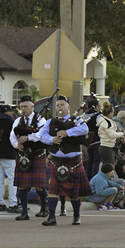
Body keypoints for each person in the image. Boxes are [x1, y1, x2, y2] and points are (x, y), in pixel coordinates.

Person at [40, 95, 92, 226]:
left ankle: (76, 216)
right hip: (55, 160)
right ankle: (52, 217)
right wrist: (52, 140)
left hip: (73, 161)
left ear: (68, 107)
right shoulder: (50, 122)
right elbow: (42, 135)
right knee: (52, 190)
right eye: (57, 105)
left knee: (74, 192)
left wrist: (66, 133)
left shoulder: (76, 120)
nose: (59, 107)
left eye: (62, 105)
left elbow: (84, 129)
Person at [10, 95, 49, 221]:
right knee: (21, 185)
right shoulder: (18, 121)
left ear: (32, 107)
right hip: (23, 156)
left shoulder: (40, 119)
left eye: (25, 106)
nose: (23, 109)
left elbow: (42, 135)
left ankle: (44, 208)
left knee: (39, 186)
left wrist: (28, 138)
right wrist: (18, 145)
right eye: (21, 107)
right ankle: (24, 212)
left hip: (37, 155)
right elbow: (12, 136)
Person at [0, 104, 19, 213]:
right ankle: (12, 203)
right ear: (7, 112)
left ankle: (1, 203)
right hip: (9, 154)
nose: (12, 113)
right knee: (12, 180)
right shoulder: (11, 123)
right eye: (11, 111)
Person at [97, 102, 125, 169]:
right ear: (110, 113)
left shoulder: (103, 121)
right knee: (109, 167)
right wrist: (122, 134)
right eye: (112, 113)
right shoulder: (107, 123)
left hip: (104, 146)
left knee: (106, 166)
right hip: (107, 147)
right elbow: (112, 135)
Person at [82, 95, 102, 180]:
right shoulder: (98, 116)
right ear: (96, 106)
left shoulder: (84, 115)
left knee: (90, 162)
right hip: (97, 141)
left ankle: (88, 180)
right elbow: (101, 126)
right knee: (96, 162)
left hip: (88, 141)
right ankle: (94, 180)